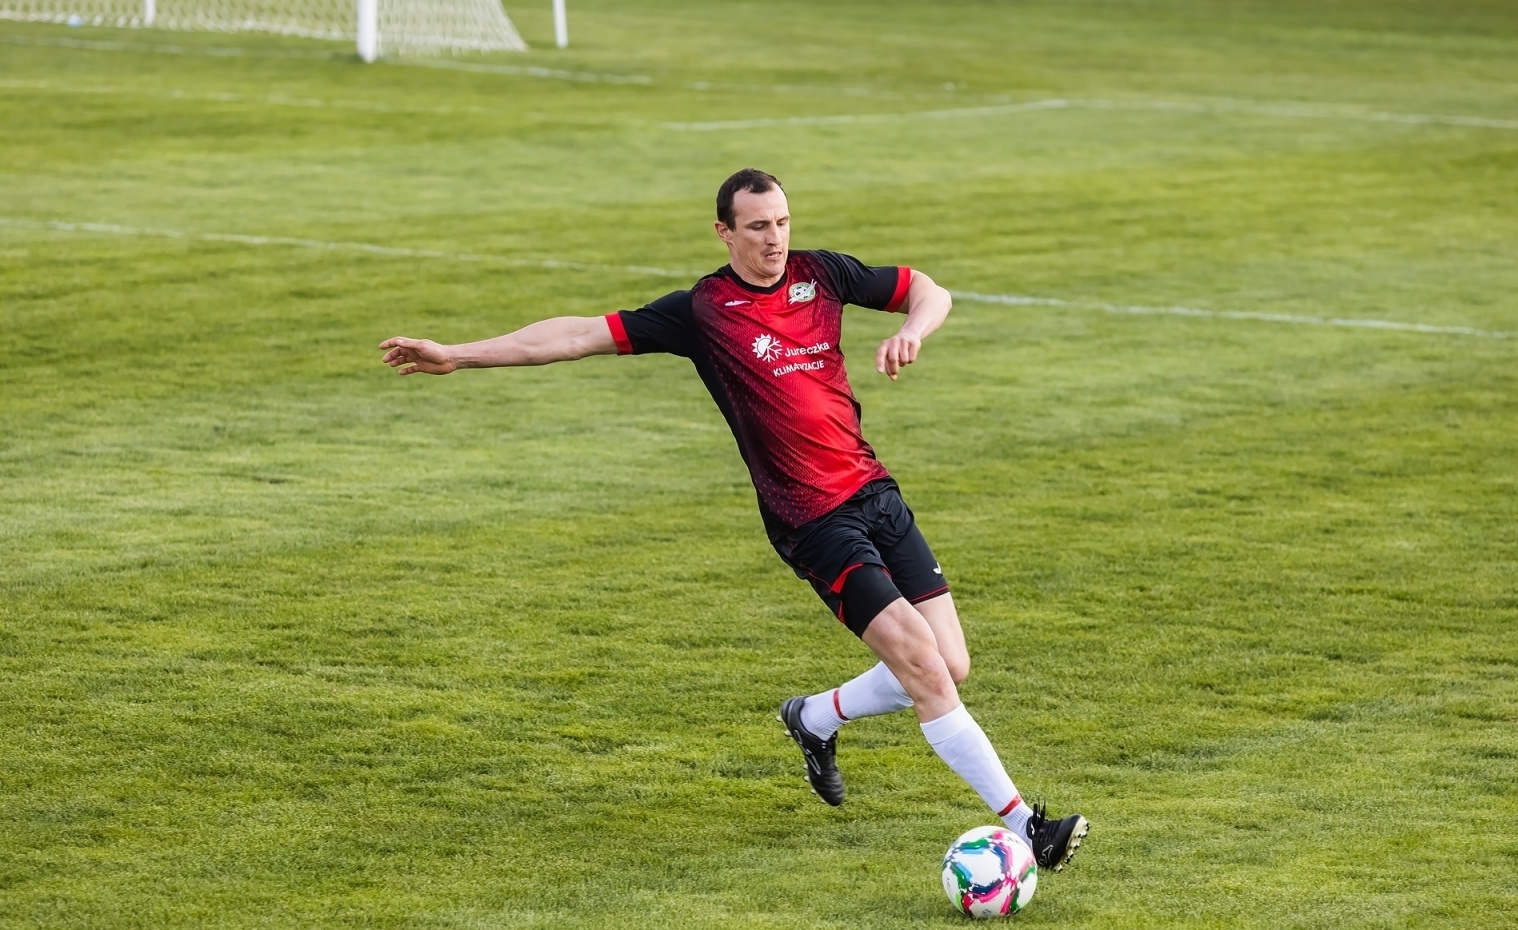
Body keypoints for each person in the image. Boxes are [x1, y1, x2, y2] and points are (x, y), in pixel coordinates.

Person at [380, 168, 1089, 870]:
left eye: (781, 222)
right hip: (810, 518)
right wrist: (459, 355)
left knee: (949, 664)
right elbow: (570, 337)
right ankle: (1027, 825)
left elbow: (931, 290)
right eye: (757, 226)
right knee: (923, 667)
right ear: (725, 232)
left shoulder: (825, 276)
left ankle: (813, 719)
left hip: (875, 491)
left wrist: (914, 330)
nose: (774, 239)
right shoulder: (703, 311)